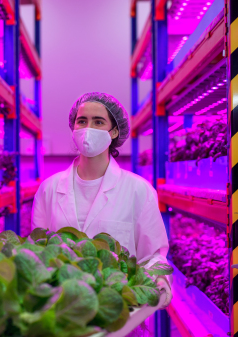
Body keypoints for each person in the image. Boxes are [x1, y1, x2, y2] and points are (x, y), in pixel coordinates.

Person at [31, 92, 172, 308]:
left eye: (98, 122)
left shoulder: (138, 190)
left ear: (114, 131)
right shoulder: (48, 189)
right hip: (63, 307)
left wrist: (160, 281)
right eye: (82, 121)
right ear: (74, 129)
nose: (88, 129)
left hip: (120, 308)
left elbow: (153, 255)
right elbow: (38, 250)